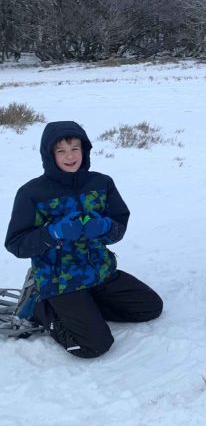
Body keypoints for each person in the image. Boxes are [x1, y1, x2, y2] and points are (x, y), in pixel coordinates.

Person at [4, 121, 163, 357]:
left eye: (74, 148)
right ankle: (41, 307)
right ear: (49, 155)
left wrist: (105, 226)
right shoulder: (32, 193)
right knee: (94, 345)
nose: (69, 156)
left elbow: (119, 224)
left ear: (84, 150)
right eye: (61, 151)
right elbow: (16, 243)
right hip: (61, 281)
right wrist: (52, 234)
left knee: (150, 307)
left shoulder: (101, 184)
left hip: (101, 272)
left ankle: (87, 309)